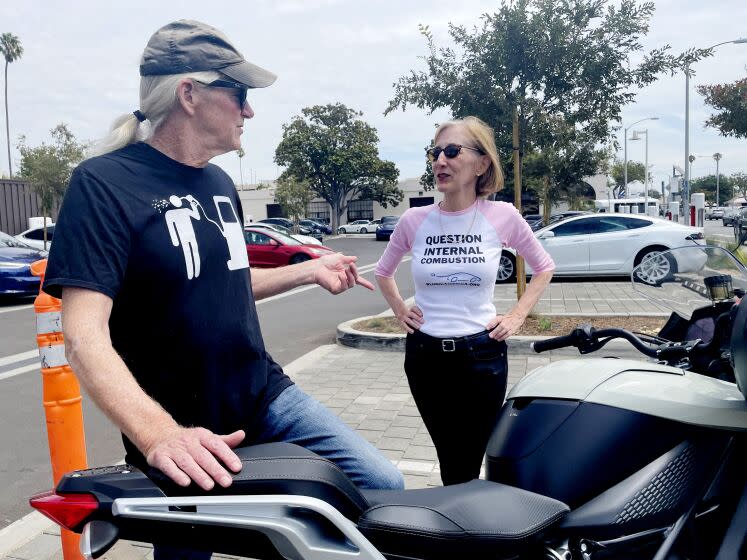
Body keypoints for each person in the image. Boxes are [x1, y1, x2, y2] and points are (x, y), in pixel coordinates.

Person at [43, 20, 403, 559]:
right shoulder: (102, 184)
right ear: (189, 93)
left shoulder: (218, 183)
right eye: (238, 94)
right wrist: (160, 435)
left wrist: (309, 270)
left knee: (381, 487)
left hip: (264, 395)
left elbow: (225, 284)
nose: (249, 111)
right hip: (181, 429)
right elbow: (82, 335)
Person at [375, 116, 555, 486]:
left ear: (482, 163)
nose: (441, 161)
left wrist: (518, 315)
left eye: (453, 151)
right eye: (435, 152)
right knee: (449, 455)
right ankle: (461, 524)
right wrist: (399, 309)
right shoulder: (414, 219)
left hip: (481, 355)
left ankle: (464, 527)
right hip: (425, 357)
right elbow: (383, 271)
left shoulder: (502, 216)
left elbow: (544, 267)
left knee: (470, 457)